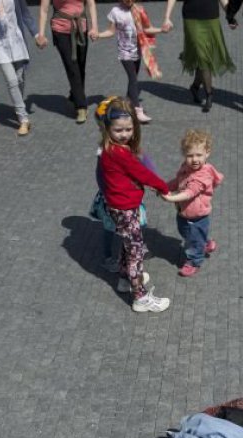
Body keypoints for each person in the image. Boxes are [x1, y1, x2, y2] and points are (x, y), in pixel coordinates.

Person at [97, 97, 171, 312]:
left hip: (120, 206)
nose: (124, 134)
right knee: (136, 251)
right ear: (108, 128)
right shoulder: (119, 152)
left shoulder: (110, 148)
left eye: (128, 129)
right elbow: (142, 173)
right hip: (125, 207)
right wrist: (164, 188)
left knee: (127, 243)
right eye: (118, 130)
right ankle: (140, 296)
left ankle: (123, 279)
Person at [163, 129, 224, 277]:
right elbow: (178, 182)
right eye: (190, 155)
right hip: (184, 213)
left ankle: (194, 261)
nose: (194, 159)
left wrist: (170, 198)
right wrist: (164, 186)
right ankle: (205, 242)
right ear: (184, 155)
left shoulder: (202, 175)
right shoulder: (186, 167)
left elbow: (189, 192)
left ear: (207, 153)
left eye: (199, 155)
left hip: (197, 217)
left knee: (192, 242)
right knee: (186, 232)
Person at [0, 0, 39, 136]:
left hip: (16, 40)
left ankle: (18, 104)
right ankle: (23, 119)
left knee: (20, 78)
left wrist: (36, 34)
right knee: (12, 81)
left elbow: (25, 13)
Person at [162, 0, 236, 113]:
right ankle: (209, 93)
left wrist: (230, 16)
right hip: (192, 18)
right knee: (203, 56)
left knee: (204, 57)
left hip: (211, 18)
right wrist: (167, 17)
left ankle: (195, 86)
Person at [97, 0, 164, 123]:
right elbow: (111, 31)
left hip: (138, 50)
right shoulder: (115, 12)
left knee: (132, 80)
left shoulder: (139, 9)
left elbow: (147, 29)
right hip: (125, 53)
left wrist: (162, 30)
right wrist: (99, 35)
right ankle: (137, 110)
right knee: (133, 79)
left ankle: (126, 105)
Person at [35, 0, 99, 124]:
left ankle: (74, 94)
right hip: (60, 29)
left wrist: (94, 28)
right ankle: (81, 106)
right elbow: (44, 10)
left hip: (81, 26)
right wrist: (41, 35)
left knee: (80, 67)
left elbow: (91, 4)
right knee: (72, 66)